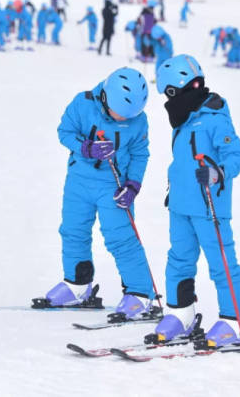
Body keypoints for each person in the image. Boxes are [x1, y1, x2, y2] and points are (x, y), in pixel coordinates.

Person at [152, 54, 240, 345]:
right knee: (179, 260)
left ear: (178, 89)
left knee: (221, 262)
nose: (168, 103)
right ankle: (180, 314)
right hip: (181, 205)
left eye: (169, 94)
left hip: (209, 207)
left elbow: (237, 156)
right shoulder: (185, 120)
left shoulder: (214, 120)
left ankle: (234, 321)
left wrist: (219, 173)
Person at [44, 67, 156, 320]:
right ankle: (77, 285)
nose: (123, 120)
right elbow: (65, 132)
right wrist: (86, 148)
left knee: (121, 238)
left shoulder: (138, 120)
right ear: (106, 98)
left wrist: (133, 186)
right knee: (73, 230)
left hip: (113, 186)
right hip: (79, 181)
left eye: (130, 115)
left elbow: (140, 154)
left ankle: (139, 294)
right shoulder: (82, 104)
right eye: (119, 114)